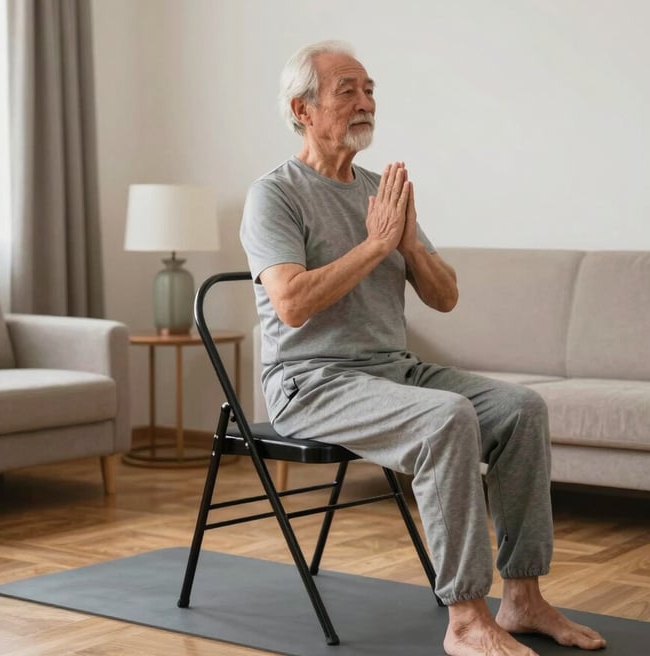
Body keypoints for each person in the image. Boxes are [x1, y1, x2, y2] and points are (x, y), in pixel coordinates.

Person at [241, 39, 606, 656]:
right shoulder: (274, 194)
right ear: (302, 109)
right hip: (310, 380)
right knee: (446, 419)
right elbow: (292, 304)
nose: (365, 102)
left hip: (391, 370)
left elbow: (445, 297)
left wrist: (407, 243)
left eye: (370, 89)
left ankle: (522, 598)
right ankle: (465, 617)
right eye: (347, 91)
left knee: (522, 409)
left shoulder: (383, 189)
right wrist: (376, 246)